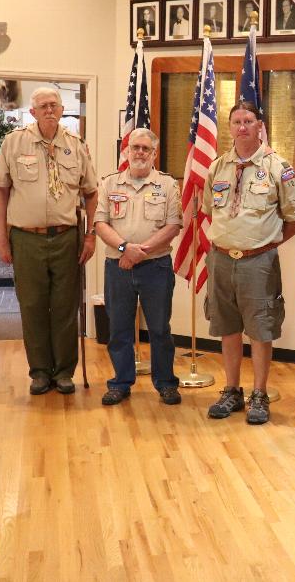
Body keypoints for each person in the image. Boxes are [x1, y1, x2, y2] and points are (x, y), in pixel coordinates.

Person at [0, 87, 98, 396]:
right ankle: (39, 372)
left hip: (67, 238)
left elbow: (91, 193)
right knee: (33, 305)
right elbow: (1, 191)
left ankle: (64, 372)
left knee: (65, 307)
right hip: (26, 238)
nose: (49, 110)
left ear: (62, 109)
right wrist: (1, 237)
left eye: (54, 105)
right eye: (42, 106)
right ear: (32, 112)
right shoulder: (14, 143)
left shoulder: (76, 146)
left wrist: (90, 235)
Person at [203, 101, 295, 424]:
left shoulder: (278, 167)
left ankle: (259, 394)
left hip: (258, 262)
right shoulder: (218, 167)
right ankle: (232, 390)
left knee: (260, 330)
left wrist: (265, 245)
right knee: (227, 328)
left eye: (248, 121)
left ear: (260, 126)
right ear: (229, 127)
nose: (242, 127)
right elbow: (209, 210)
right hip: (220, 259)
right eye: (236, 121)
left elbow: (293, 219)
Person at [95, 129, 182, 407]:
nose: (140, 152)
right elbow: (100, 224)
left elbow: (173, 226)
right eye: (135, 147)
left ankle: (166, 383)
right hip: (117, 266)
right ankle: (120, 383)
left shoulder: (168, 185)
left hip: (155, 267)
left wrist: (138, 252)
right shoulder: (109, 184)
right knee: (119, 328)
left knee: (159, 328)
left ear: (154, 153)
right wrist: (124, 249)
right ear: (126, 151)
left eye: (146, 148)